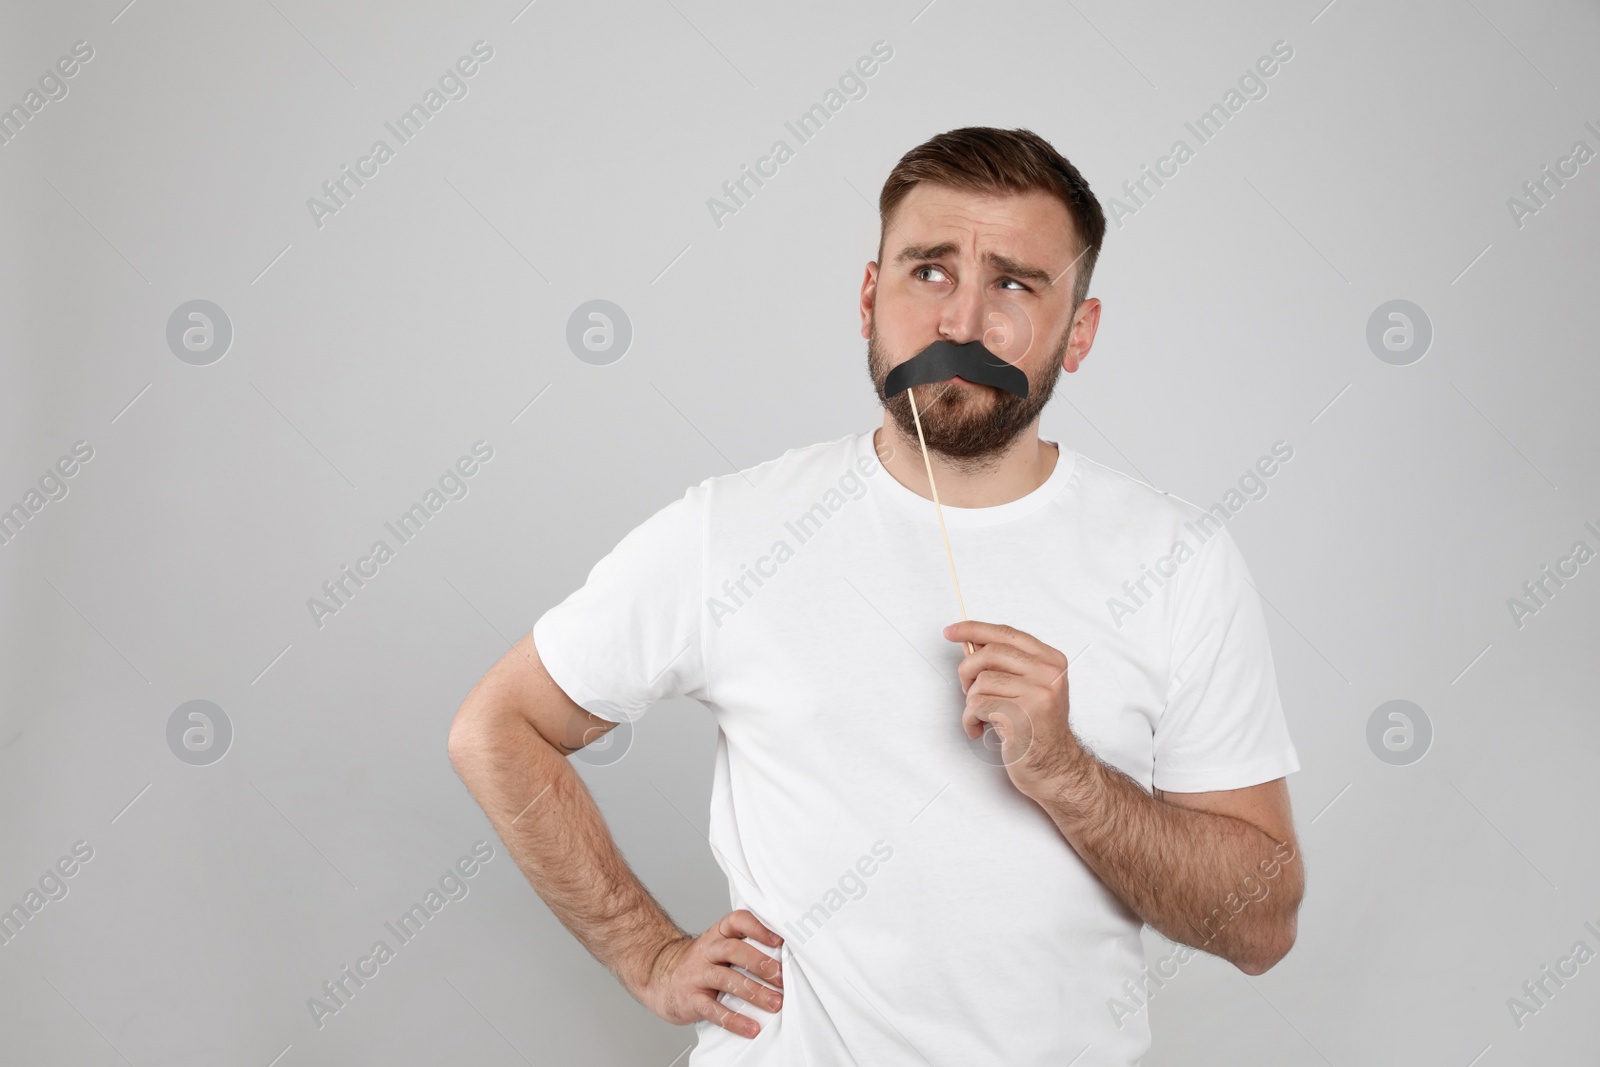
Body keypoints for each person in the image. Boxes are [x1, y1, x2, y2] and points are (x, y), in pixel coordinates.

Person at [448, 125, 1304, 1066]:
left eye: (1014, 283)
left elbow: (1259, 925)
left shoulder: (1179, 559)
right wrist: (645, 950)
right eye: (928, 272)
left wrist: (1068, 774)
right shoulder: (732, 531)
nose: (962, 324)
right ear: (869, 297)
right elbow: (499, 726)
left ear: (1080, 330)